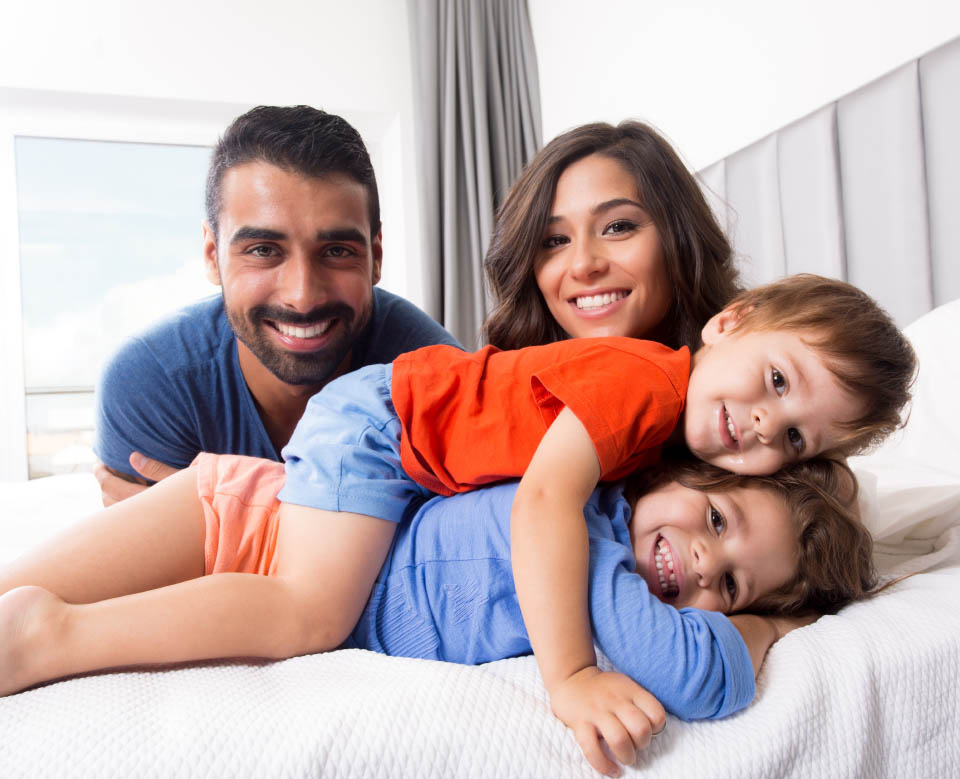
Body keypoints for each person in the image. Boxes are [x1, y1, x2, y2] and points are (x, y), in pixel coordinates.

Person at [0, 454, 872, 774]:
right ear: (671, 474)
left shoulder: (605, 565)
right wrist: (770, 625)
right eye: (716, 521)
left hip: (257, 525)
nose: (697, 567)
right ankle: (52, 635)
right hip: (248, 515)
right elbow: (703, 676)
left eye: (729, 588)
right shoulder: (583, 534)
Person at [93, 105, 459, 505]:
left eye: (336, 251)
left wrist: (223, 517)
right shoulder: (152, 382)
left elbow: (440, 559)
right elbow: (149, 568)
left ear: (376, 257)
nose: (302, 296)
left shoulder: (437, 377)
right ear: (213, 256)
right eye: (264, 250)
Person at [484, 120, 741, 352]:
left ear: (680, 235)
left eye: (618, 227)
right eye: (556, 241)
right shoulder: (500, 395)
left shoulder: (761, 382)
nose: (583, 265)